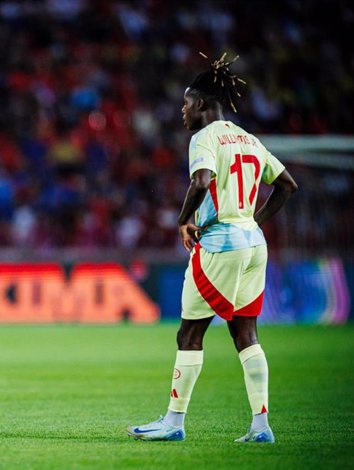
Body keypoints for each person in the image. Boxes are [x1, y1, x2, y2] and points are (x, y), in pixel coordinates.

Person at [127, 53, 298, 443]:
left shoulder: (204, 138)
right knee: (246, 334)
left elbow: (202, 180)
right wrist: (254, 219)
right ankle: (261, 426)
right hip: (255, 245)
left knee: (189, 334)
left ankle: (173, 422)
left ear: (201, 104)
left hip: (219, 245)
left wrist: (182, 220)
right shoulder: (249, 139)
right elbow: (287, 184)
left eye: (186, 104)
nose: (183, 112)